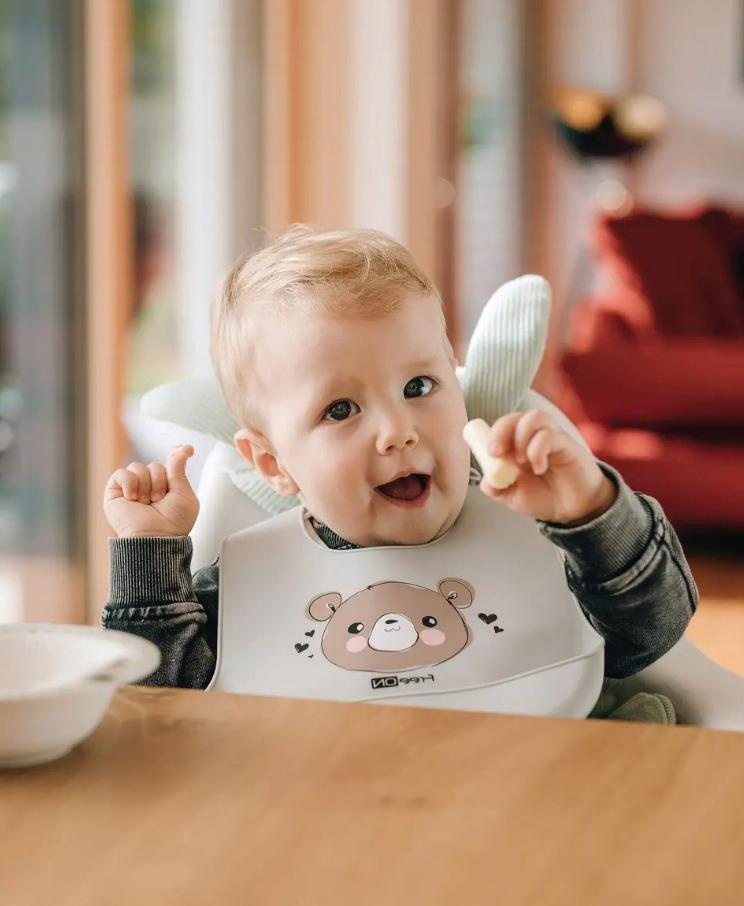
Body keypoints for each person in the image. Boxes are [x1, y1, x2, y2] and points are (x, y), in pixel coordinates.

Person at [102, 226, 697, 723]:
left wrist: (593, 512)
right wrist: (149, 553)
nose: (397, 431)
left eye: (419, 386)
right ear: (273, 464)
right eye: (341, 409)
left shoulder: (550, 540)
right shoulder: (250, 584)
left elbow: (652, 634)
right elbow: (161, 707)